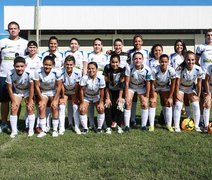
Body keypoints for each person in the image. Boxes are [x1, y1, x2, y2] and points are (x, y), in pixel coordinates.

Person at [0, 21, 28, 133]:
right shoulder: (2, 42)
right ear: (8, 30)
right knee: (4, 101)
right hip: (3, 75)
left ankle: (14, 123)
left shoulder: (25, 43)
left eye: (15, 28)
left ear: (19, 30)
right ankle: (3, 123)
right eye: (10, 28)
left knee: (16, 101)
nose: (13, 30)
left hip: (18, 77)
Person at [34, 54, 62, 137]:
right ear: (43, 64)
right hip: (44, 92)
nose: (47, 66)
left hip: (53, 92)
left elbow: (59, 86)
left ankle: (55, 130)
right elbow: (36, 86)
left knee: (54, 106)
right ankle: (43, 130)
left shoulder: (57, 72)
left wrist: (55, 99)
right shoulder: (38, 71)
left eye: (49, 65)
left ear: (53, 65)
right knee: (41, 106)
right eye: (46, 64)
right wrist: (41, 98)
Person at [6, 56, 35, 138]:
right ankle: (14, 131)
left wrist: (30, 101)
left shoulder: (30, 73)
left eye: (22, 66)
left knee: (30, 108)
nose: (19, 68)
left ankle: (31, 130)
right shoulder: (10, 73)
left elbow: (32, 88)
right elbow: (9, 88)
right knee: (14, 108)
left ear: (25, 66)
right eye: (17, 66)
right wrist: (14, 101)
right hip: (17, 92)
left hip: (27, 91)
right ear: (14, 66)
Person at [174, 51, 202, 132]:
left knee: (196, 104)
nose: (191, 62)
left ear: (195, 60)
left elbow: (199, 84)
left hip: (190, 88)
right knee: (179, 105)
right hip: (181, 88)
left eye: (193, 60)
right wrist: (177, 94)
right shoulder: (180, 68)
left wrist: (198, 95)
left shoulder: (198, 69)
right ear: (185, 60)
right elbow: (177, 83)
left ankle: (196, 126)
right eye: (188, 60)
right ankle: (176, 126)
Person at [63, 38, 87, 129]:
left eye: (75, 43)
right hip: (68, 81)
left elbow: (84, 68)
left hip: (77, 80)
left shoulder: (82, 53)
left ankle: (78, 123)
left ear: (78, 45)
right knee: (69, 103)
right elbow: (63, 66)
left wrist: (83, 80)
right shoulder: (65, 53)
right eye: (72, 43)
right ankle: (69, 122)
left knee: (76, 102)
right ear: (70, 45)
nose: (73, 45)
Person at [124, 52, 151, 131]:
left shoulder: (147, 69)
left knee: (144, 104)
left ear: (142, 60)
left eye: (139, 59)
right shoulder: (129, 68)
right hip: (131, 87)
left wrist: (147, 96)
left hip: (141, 87)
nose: (137, 60)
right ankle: (127, 126)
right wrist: (126, 95)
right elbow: (126, 83)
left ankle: (143, 126)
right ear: (132, 60)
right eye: (135, 59)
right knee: (128, 103)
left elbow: (148, 83)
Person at [149, 54, 176, 132]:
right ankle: (151, 125)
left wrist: (170, 97)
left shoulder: (171, 70)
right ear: (159, 62)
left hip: (165, 87)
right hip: (156, 87)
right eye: (162, 62)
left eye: (165, 62)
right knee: (152, 102)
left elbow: (173, 84)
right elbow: (152, 84)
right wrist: (153, 96)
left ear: (168, 62)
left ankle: (169, 124)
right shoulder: (154, 70)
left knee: (168, 103)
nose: (163, 63)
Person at [127, 35, 149, 128]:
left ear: (142, 42)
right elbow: (126, 60)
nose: (137, 43)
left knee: (144, 102)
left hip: (142, 80)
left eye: (139, 41)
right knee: (130, 101)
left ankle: (144, 124)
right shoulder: (129, 52)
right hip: (132, 79)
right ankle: (130, 122)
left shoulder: (147, 52)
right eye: (136, 41)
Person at [87, 38, 108, 131]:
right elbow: (85, 69)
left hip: (102, 83)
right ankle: (91, 123)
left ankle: (103, 124)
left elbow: (108, 70)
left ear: (101, 46)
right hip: (90, 82)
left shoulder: (106, 56)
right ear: (93, 45)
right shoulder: (89, 55)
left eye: (99, 45)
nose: (97, 46)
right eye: (95, 44)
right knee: (90, 103)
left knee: (101, 103)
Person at [79, 62, 105, 134]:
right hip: (87, 96)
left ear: (97, 69)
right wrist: (82, 102)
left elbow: (102, 90)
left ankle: (99, 128)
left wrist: (101, 102)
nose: (91, 70)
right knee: (82, 109)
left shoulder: (101, 78)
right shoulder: (84, 77)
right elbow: (81, 90)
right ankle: (85, 128)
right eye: (89, 69)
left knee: (101, 108)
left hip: (96, 96)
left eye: (93, 68)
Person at [103, 54, 126, 134]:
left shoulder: (122, 69)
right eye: (113, 62)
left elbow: (122, 85)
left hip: (119, 90)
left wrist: (120, 97)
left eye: (116, 62)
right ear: (110, 62)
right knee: (108, 105)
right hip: (109, 90)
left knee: (120, 106)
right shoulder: (107, 68)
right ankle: (108, 127)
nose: (115, 64)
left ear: (119, 62)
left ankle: (119, 126)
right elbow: (106, 84)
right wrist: (108, 98)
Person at [59, 55, 82, 135]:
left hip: (74, 91)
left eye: (71, 64)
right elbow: (61, 84)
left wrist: (75, 97)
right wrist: (62, 97)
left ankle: (76, 126)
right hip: (64, 90)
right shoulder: (61, 71)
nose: (69, 66)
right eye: (67, 64)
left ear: (74, 64)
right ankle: (61, 127)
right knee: (62, 106)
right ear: (64, 64)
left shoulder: (78, 72)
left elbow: (77, 86)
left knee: (75, 106)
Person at [196, 29, 212, 127]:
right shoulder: (201, 47)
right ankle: (202, 119)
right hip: (204, 78)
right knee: (203, 99)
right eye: (208, 35)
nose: (210, 37)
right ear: (205, 37)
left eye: (211, 35)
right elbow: (196, 61)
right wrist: (202, 71)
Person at [24, 41, 42, 131]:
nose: (32, 49)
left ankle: (38, 125)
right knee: (29, 105)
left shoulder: (40, 58)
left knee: (39, 105)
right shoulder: (24, 59)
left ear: (37, 48)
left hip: (38, 85)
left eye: (34, 47)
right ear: (27, 48)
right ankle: (27, 125)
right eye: (30, 47)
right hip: (28, 86)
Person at [203, 64, 212, 132]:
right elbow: (206, 81)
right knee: (207, 103)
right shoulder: (210, 67)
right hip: (210, 88)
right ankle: (206, 126)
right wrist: (208, 93)